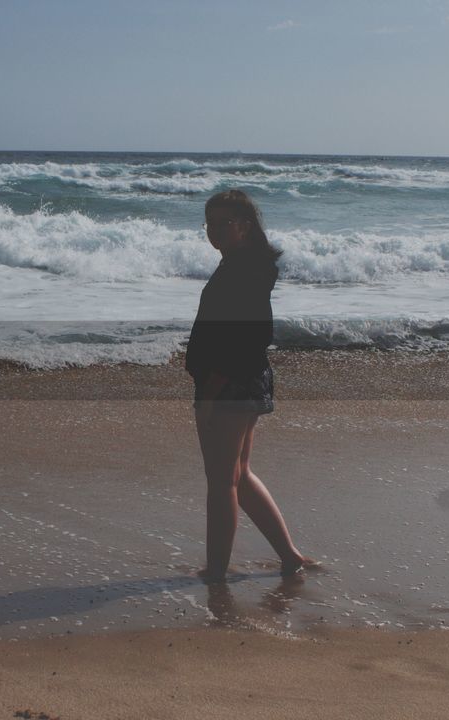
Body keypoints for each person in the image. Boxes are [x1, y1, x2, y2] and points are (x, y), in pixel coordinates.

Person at [185, 189, 313, 583]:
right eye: (210, 223)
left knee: (223, 481)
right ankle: (290, 557)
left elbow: (247, 338)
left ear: (245, 226)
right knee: (238, 475)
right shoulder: (243, 264)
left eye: (225, 223)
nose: (215, 231)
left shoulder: (244, 270)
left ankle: (217, 572)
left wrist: (210, 392)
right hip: (242, 379)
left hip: (229, 383)